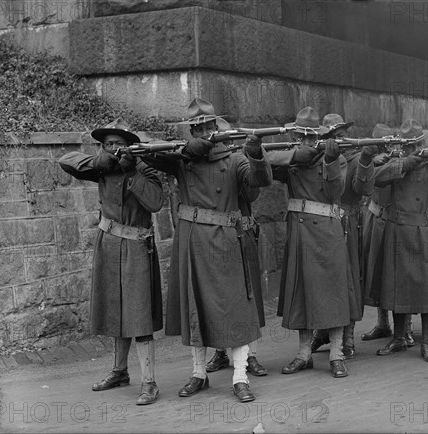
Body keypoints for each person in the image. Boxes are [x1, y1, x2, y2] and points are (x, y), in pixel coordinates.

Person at [141, 97, 272, 402]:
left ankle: (240, 376)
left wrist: (255, 154)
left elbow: (258, 181)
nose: (202, 131)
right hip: (191, 242)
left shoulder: (235, 159)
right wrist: (187, 151)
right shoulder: (183, 159)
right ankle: (199, 373)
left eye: (207, 126)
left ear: (216, 125)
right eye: (196, 128)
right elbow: (149, 155)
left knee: (234, 307)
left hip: (225, 241)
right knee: (194, 306)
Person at [58, 118, 164, 405]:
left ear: (130, 146)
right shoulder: (102, 167)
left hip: (137, 247)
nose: (114, 149)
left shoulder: (144, 167)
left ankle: (150, 382)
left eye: (119, 144)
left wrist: (132, 171)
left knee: (138, 316)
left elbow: (155, 202)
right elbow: (67, 161)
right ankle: (119, 372)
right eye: (108, 145)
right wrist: (103, 160)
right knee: (115, 311)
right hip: (109, 244)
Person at [368, 119, 428, 362]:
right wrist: (406, 163)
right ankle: (399, 338)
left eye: (413, 146)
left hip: (427, 230)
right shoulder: (396, 162)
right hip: (398, 230)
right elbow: (375, 177)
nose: (410, 150)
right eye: (406, 146)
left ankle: (427, 343)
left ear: (420, 143)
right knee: (398, 288)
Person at [268, 106, 350, 378]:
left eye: (309, 137)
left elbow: (335, 191)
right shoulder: (293, 157)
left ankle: (337, 354)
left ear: (318, 136)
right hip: (300, 233)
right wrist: (296, 155)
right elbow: (266, 161)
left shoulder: (334, 157)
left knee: (332, 293)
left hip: (327, 231)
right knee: (302, 293)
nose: (305, 141)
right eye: (300, 136)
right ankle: (304, 354)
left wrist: (327, 161)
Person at [309, 113, 389, 359]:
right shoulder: (315, 159)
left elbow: (363, 188)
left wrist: (366, 160)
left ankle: (347, 336)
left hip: (348, 224)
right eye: (333, 135)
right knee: (323, 279)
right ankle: (322, 332)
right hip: (322, 226)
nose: (339, 139)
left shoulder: (357, 157)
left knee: (350, 279)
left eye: (342, 134)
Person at [203, 118, 268, 377]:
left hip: (241, 233)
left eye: (226, 138)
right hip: (215, 236)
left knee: (246, 298)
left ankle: (250, 355)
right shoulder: (203, 162)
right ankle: (220, 351)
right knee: (217, 297)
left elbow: (252, 194)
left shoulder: (238, 161)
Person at [360, 124, 416, 348]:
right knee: (376, 274)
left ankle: (407, 328)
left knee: (400, 275)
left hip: (395, 221)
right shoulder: (371, 161)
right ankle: (383, 323)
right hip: (375, 218)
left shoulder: (400, 159)